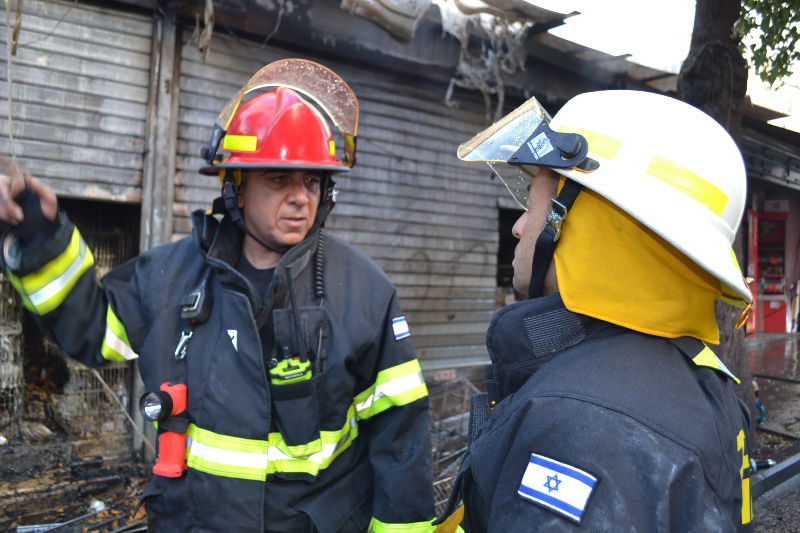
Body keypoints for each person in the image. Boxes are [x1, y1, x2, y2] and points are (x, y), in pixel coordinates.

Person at [0, 59, 435, 532]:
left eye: (312, 180)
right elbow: (90, 329)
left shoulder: (364, 293)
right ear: (238, 188)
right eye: (278, 179)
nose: (300, 198)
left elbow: (401, 442)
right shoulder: (170, 276)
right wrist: (40, 237)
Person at [435, 90, 755, 531]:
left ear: (587, 224)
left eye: (533, 201)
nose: (518, 225)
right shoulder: (696, 376)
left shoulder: (576, 422)